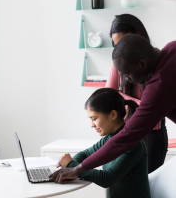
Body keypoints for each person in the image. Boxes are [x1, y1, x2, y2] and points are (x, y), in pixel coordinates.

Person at [50, 35, 176, 184]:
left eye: (128, 73)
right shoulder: (172, 47)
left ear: (142, 63)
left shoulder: (158, 86)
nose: (127, 79)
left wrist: (77, 169)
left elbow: (126, 137)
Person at [56, 88, 150, 198]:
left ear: (113, 115)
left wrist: (71, 165)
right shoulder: (109, 138)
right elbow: (85, 154)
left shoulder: (133, 144)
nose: (92, 124)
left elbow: (107, 178)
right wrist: (72, 166)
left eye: (94, 119)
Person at [107, 14, 168, 173]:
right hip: (127, 130)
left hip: (153, 134)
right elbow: (108, 94)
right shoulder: (119, 62)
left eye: (122, 41)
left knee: (150, 185)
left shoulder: (157, 60)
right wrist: (139, 103)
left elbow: (159, 97)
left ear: (137, 33)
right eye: (116, 45)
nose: (120, 48)